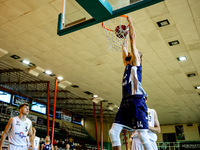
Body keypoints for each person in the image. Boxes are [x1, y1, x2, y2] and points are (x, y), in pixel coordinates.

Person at [109, 16, 152, 150]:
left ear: (138, 56)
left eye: (135, 52)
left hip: (137, 102)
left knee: (143, 136)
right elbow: (125, 47)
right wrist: (124, 35)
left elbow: (133, 40)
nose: (131, 51)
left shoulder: (136, 63)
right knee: (113, 132)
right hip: (125, 102)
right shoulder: (126, 64)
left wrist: (131, 23)